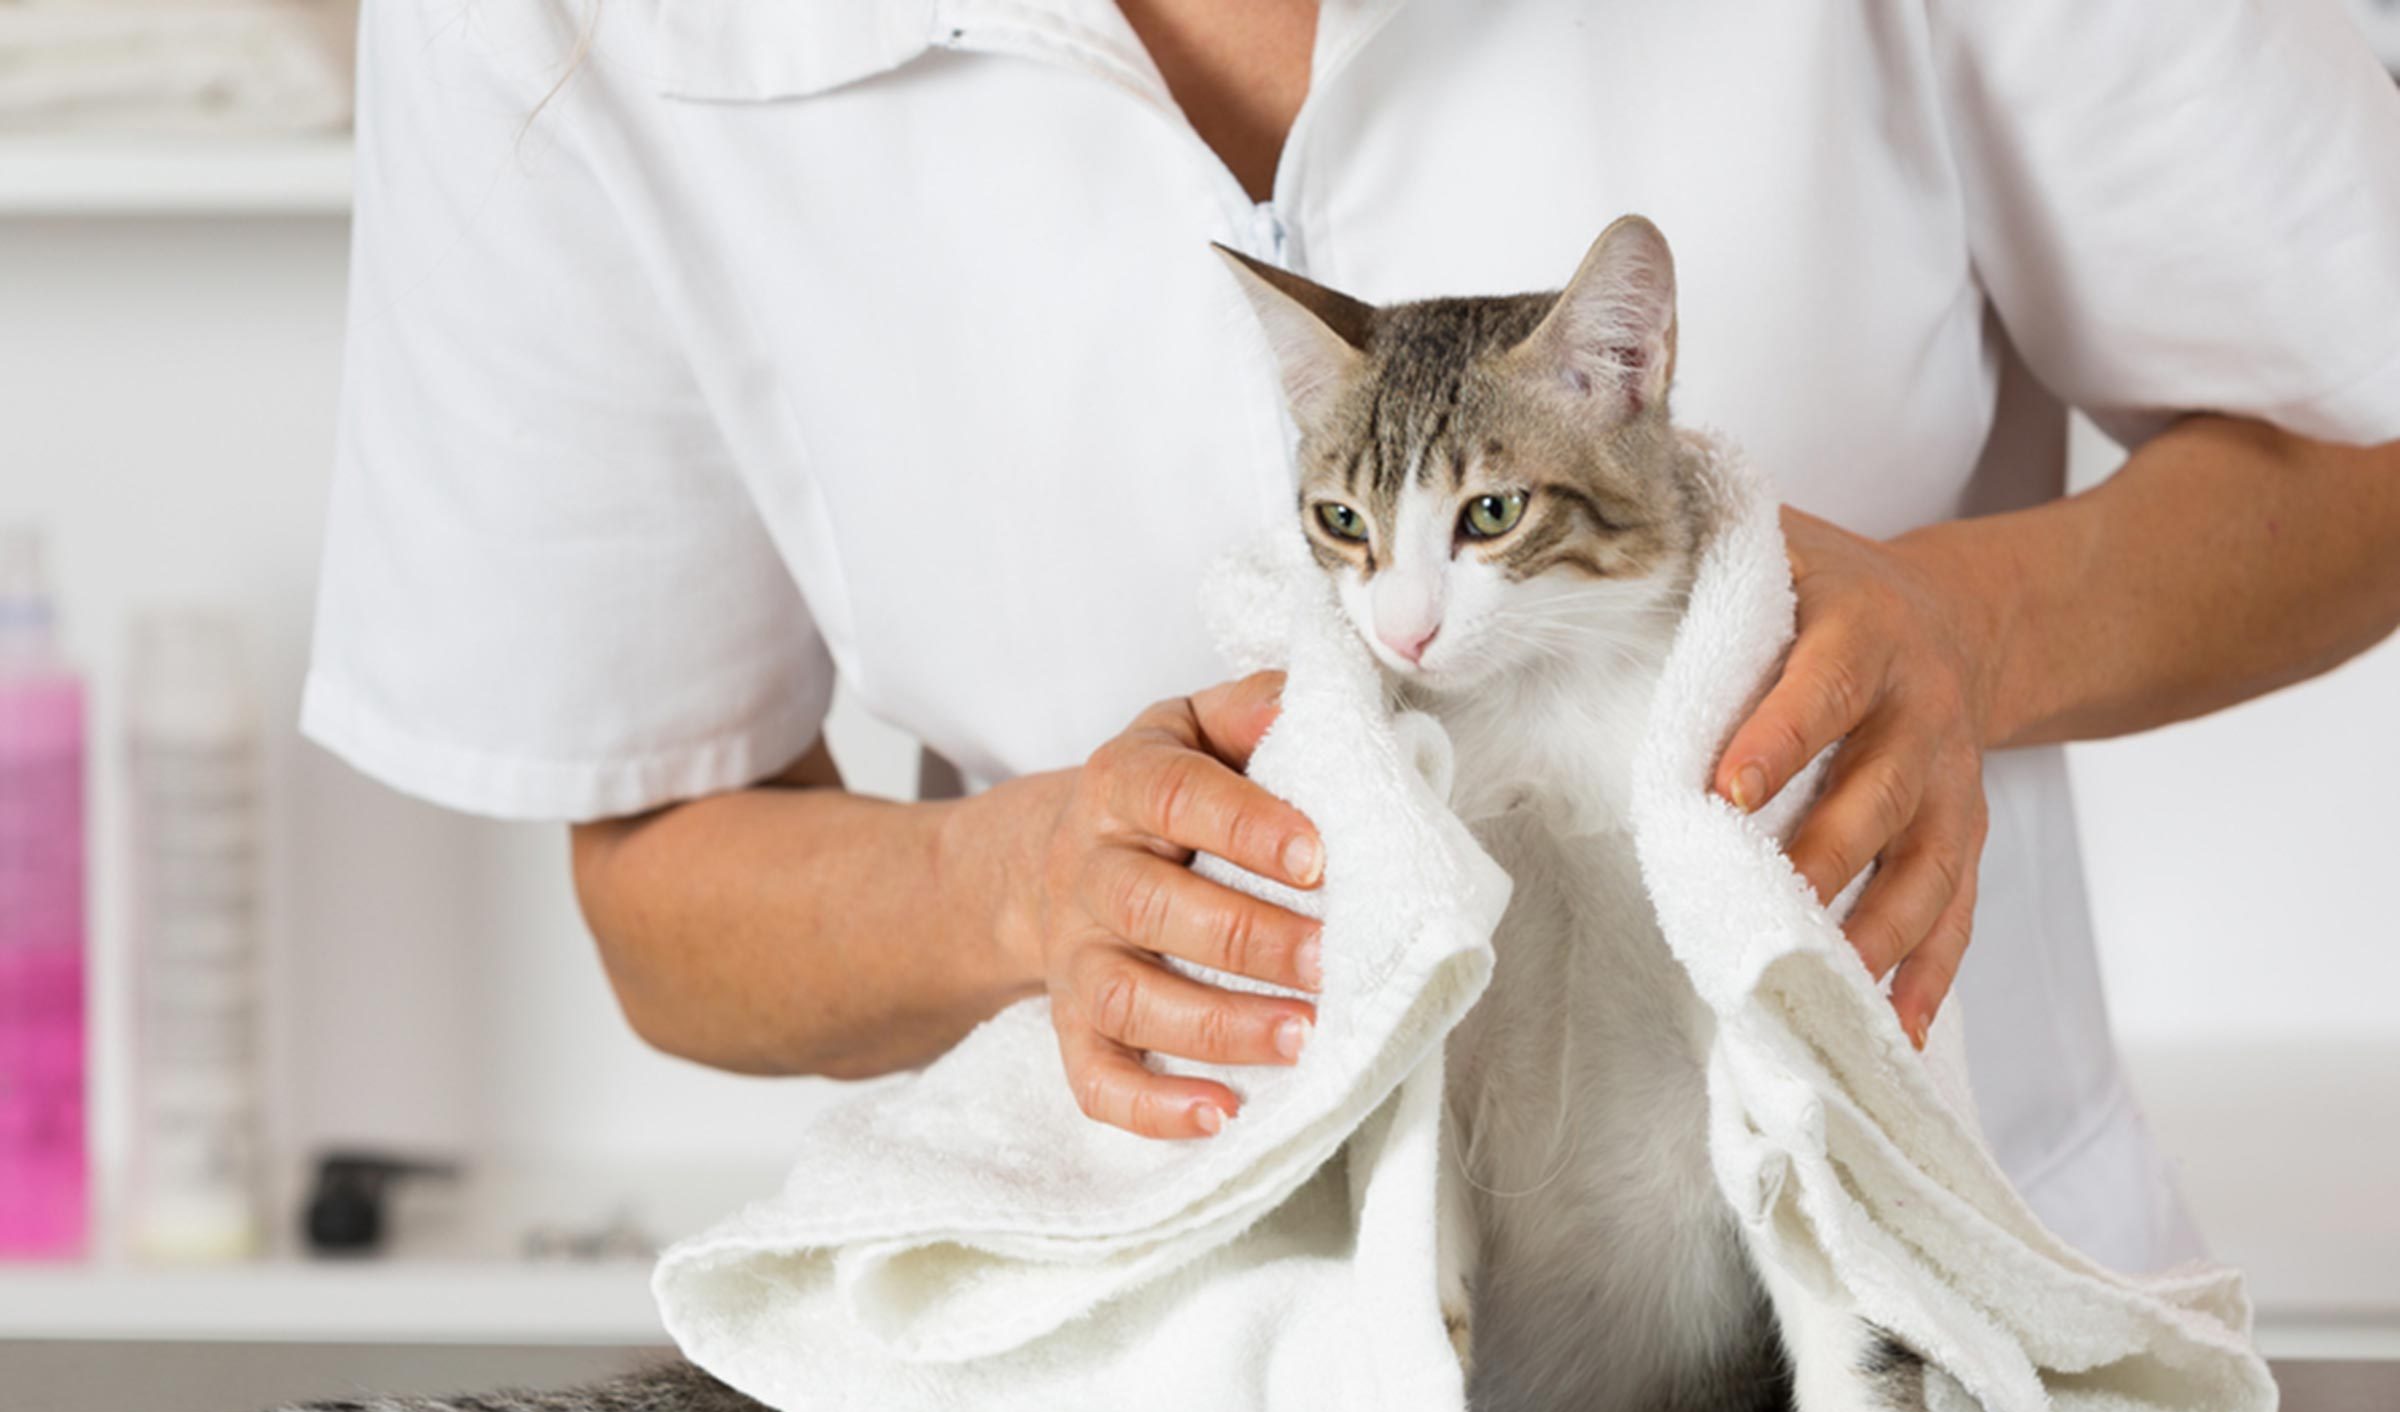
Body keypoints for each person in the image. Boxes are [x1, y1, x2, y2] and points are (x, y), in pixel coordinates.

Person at [304, 0, 2400, 1275]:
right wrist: (1015, 881)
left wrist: (1972, 622)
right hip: (1158, 1386)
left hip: (1884, 1350)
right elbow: (662, 887)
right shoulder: (557, 25)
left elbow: (2369, 419)